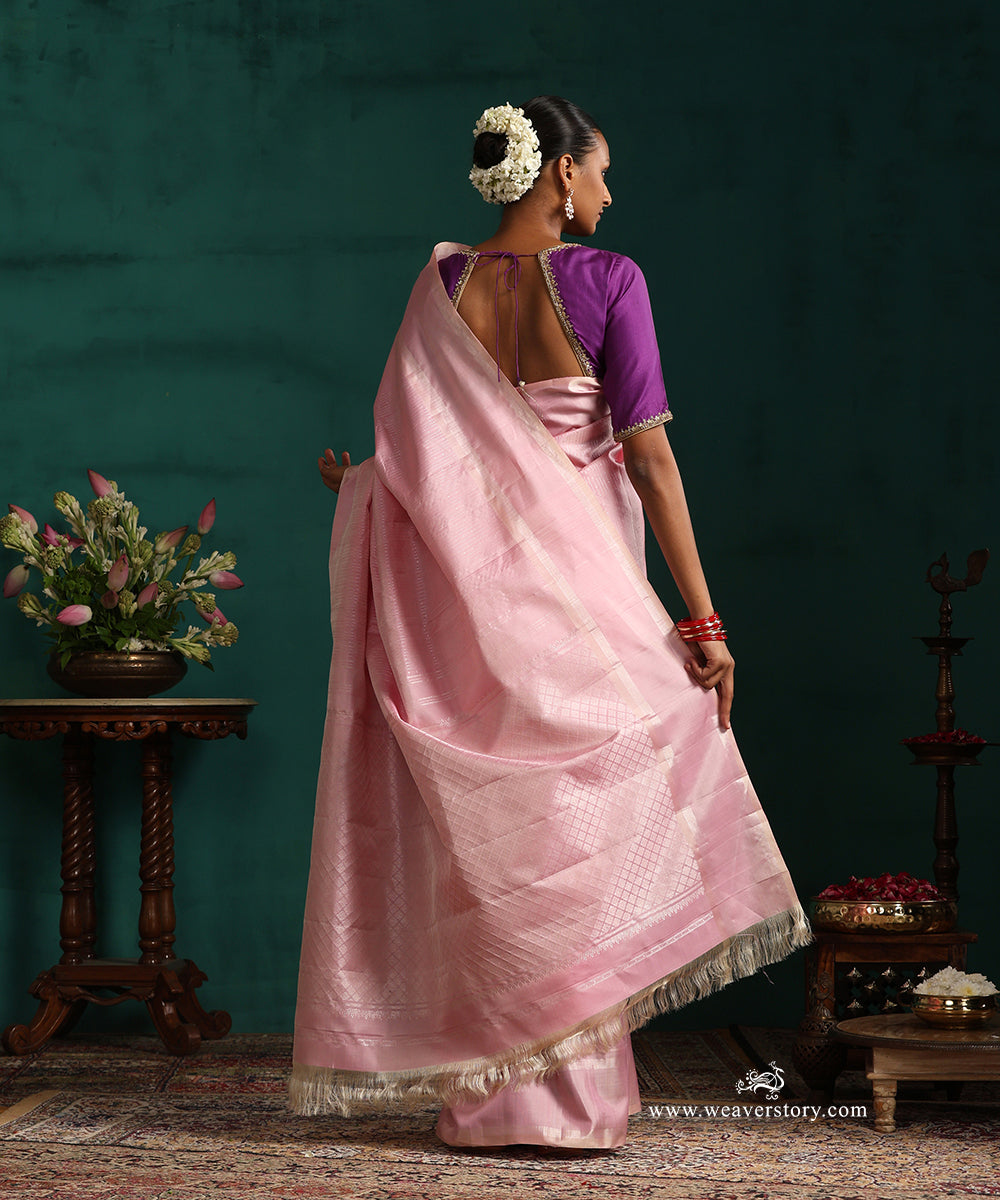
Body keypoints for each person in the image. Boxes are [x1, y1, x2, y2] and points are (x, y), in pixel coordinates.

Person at [290, 96, 809, 1150]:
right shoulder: (611, 279)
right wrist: (703, 622)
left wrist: (361, 486)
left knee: (504, 834)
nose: (610, 192)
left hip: (469, 605)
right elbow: (650, 458)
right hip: (581, 589)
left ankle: (499, 1099)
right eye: (602, 171)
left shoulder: (442, 289)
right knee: (585, 818)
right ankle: (566, 1100)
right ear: (560, 173)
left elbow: (428, 463)